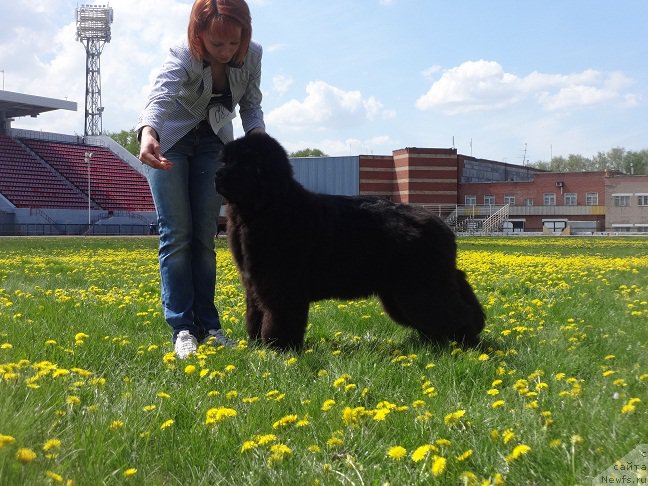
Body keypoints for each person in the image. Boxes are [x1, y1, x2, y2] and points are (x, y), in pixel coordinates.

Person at [137, 0, 265, 358]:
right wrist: (149, 132)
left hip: (214, 141)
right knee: (177, 234)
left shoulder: (253, 54)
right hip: (171, 141)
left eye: (233, 43)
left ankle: (209, 325)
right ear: (198, 35)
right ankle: (182, 328)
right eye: (216, 44)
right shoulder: (182, 53)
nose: (226, 52)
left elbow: (251, 105)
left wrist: (259, 140)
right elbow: (160, 96)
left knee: (204, 236)